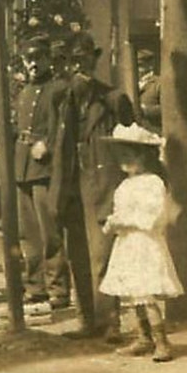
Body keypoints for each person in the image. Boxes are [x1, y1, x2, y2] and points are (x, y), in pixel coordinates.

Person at [59, 34, 134, 341]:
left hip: (101, 181)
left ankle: (110, 321)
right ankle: (86, 320)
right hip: (70, 183)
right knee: (77, 255)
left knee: (102, 254)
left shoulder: (112, 98)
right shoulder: (63, 98)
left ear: (94, 59)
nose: (80, 65)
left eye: (85, 58)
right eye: (74, 60)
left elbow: (131, 135)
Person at [98, 124, 181, 363]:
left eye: (130, 155)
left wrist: (124, 220)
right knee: (134, 292)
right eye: (121, 156)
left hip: (145, 243)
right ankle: (144, 337)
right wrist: (113, 223)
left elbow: (153, 216)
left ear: (145, 157)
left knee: (145, 292)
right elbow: (119, 211)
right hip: (127, 245)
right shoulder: (125, 185)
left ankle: (162, 341)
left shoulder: (153, 183)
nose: (125, 161)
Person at [12, 37, 69, 306]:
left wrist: (46, 143)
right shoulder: (23, 92)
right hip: (22, 167)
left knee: (50, 233)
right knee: (28, 234)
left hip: (44, 168)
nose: (33, 64)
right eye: (29, 59)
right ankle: (35, 287)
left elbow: (62, 127)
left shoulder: (58, 89)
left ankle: (57, 289)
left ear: (48, 60)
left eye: (39, 58)